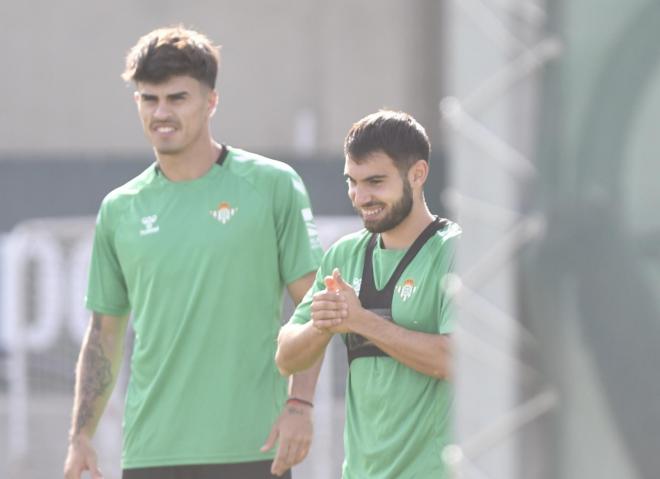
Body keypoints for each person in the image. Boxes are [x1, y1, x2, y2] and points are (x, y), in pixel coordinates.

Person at [63, 26, 324, 479]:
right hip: (150, 454)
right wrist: (80, 436)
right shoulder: (120, 209)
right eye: (149, 99)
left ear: (211, 101)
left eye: (177, 98)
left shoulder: (273, 186)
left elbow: (314, 307)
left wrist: (300, 404)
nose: (161, 112)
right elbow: (104, 334)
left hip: (254, 446)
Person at [275, 110, 461, 478]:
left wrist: (361, 321)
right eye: (352, 182)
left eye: (375, 182)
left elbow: (455, 360)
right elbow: (286, 356)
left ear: (417, 174)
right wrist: (321, 327)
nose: (361, 197)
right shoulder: (344, 255)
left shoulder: (453, 250)